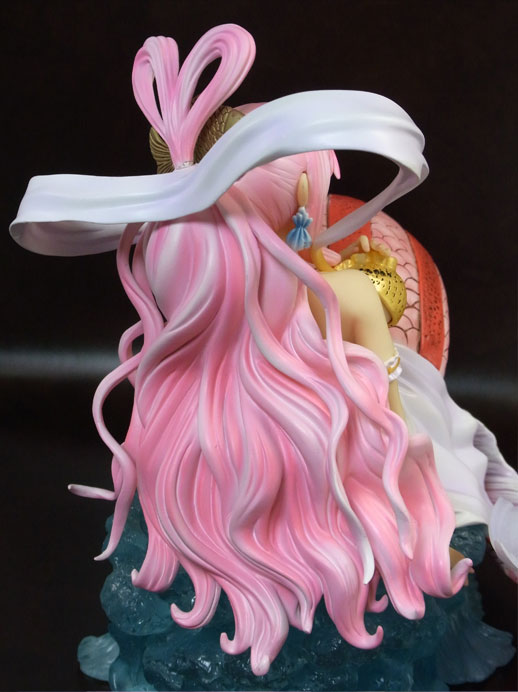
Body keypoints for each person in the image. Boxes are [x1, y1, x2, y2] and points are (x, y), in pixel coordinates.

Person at [11, 24, 517, 677]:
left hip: (212, 509)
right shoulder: (347, 297)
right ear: (301, 204)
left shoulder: (194, 321)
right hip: (331, 511)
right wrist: (424, 530)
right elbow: (394, 433)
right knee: (439, 444)